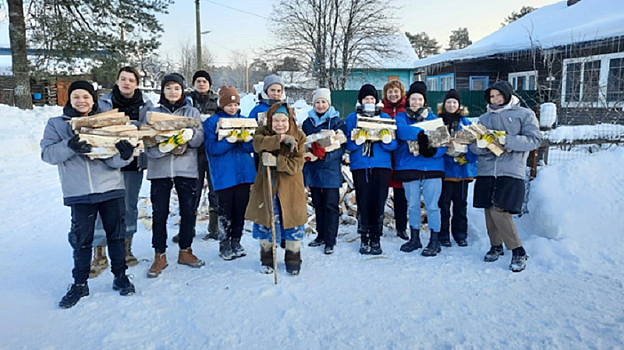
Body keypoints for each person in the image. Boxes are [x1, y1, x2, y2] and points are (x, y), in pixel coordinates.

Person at [41, 81, 136, 308]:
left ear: (94, 99)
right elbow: (48, 154)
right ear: (69, 99)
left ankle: (120, 277)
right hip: (79, 191)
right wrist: (70, 146)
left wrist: (126, 154)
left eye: (86, 96)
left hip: (110, 187)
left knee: (116, 234)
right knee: (82, 238)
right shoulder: (56, 125)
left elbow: (115, 161)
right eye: (76, 96)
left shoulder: (106, 123)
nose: (81, 100)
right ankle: (80, 283)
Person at [470, 81, 542, 273]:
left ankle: (518, 251)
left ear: (507, 94)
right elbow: (473, 147)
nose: (495, 100)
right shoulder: (483, 119)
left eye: (498, 95)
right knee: (489, 209)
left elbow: (534, 140)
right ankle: (495, 246)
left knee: (499, 210)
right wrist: (482, 145)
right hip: (486, 171)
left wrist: (505, 140)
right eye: (492, 96)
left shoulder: (524, 114)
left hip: (510, 170)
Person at [89, 67, 153, 278]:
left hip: (133, 163)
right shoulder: (103, 104)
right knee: (102, 206)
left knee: (128, 206)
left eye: (131, 80)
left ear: (136, 83)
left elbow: (149, 129)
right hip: (106, 163)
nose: (127, 83)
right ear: (117, 81)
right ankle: (99, 253)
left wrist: (131, 128)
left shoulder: (146, 105)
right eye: (123, 79)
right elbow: (96, 127)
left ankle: (126, 248)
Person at [145, 73, 205, 278]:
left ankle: (185, 250)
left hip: (185, 169)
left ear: (182, 90)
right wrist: (159, 150)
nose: (172, 91)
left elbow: (199, 140)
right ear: (163, 90)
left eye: (176, 88)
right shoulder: (152, 112)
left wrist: (190, 135)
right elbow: (146, 141)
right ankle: (159, 254)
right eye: (168, 87)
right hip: (159, 169)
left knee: (188, 211)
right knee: (159, 213)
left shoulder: (192, 112)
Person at [246, 102, 307, 275]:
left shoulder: (299, 136)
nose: (280, 124)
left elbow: (297, 164)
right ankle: (267, 259)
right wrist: (277, 140)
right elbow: (257, 144)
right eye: (276, 121)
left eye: (283, 121)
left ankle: (293, 258)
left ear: (290, 121)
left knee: (291, 222)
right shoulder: (262, 133)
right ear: (270, 121)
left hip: (290, 187)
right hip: (267, 185)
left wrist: (277, 162)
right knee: (266, 220)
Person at [394, 81, 447, 257]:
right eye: (413, 99)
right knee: (413, 205)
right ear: (408, 100)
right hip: (409, 167)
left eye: (419, 99)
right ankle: (414, 238)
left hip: (432, 167)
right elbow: (400, 131)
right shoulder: (401, 117)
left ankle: (434, 240)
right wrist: (422, 134)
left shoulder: (434, 119)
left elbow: (443, 144)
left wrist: (432, 150)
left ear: (424, 101)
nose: (416, 102)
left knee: (433, 206)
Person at [205, 86, 256, 260]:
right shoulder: (213, 122)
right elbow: (212, 148)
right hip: (224, 173)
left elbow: (251, 146)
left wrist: (244, 140)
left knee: (240, 210)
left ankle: (236, 240)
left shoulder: (244, 120)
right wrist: (230, 140)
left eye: (235, 104)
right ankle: (224, 243)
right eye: (229, 104)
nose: (233, 108)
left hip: (244, 172)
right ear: (222, 104)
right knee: (226, 210)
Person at [345, 84, 397, 255]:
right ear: (361, 100)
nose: (369, 101)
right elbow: (347, 143)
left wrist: (387, 140)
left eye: (372, 99)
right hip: (361, 165)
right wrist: (356, 142)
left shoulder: (384, 117)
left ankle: (376, 237)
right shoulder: (353, 117)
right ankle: (363, 237)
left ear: (377, 101)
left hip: (381, 165)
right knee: (363, 201)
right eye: (366, 98)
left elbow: (394, 145)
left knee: (379, 201)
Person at [302, 88, 346, 255]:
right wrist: (307, 155)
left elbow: (341, 147)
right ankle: (320, 235)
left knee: (330, 205)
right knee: (318, 204)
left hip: (330, 170)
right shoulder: (308, 123)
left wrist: (324, 157)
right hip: (313, 169)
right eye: (317, 102)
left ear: (329, 103)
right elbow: (303, 143)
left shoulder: (336, 122)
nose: (320, 105)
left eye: (323, 102)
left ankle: (330, 239)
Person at [437, 89, 477, 247]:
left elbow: (475, 146)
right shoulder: (438, 122)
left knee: (460, 204)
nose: (451, 105)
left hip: (462, 171)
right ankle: (443, 234)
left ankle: (460, 234)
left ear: (459, 105)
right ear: (444, 105)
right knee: (444, 204)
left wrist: (466, 158)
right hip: (444, 170)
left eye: (454, 102)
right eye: (449, 102)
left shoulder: (466, 123)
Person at [186, 70, 220, 242]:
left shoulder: (217, 101)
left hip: (212, 151)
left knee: (214, 189)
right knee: (194, 189)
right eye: (198, 81)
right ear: (194, 84)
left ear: (209, 84)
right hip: (193, 151)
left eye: (204, 81)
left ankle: (214, 228)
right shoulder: (187, 101)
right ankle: (189, 227)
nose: (201, 84)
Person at [381, 80, 409, 240]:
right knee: (381, 192)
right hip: (385, 156)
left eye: (396, 91)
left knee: (401, 194)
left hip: (402, 157)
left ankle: (401, 227)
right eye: (390, 92)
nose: (393, 95)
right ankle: (377, 224)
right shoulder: (381, 110)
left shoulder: (406, 110)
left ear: (401, 93)